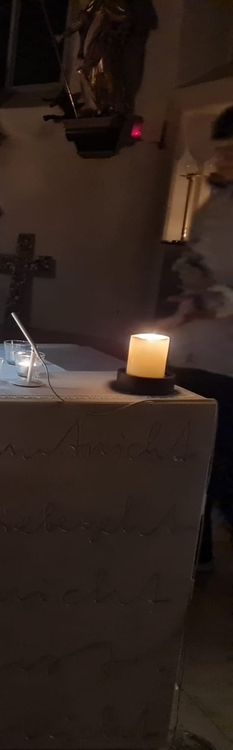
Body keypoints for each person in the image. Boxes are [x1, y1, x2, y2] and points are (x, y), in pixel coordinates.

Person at [158, 106, 233, 572]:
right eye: (221, 150)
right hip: (198, 351)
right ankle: (193, 553)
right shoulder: (217, 203)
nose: (222, 160)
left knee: (225, 460)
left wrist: (214, 301)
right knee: (192, 456)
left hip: (229, 360)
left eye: (232, 152)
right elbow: (199, 252)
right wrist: (191, 275)